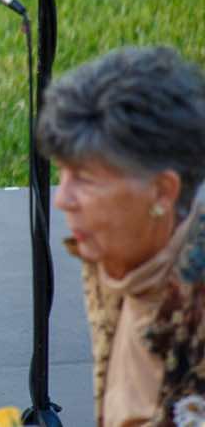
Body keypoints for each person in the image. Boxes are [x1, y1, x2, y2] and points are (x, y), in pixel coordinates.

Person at [38, 45, 205, 426]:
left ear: (162, 191)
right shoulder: (114, 257)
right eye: (62, 174)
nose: (62, 199)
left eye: (85, 179)